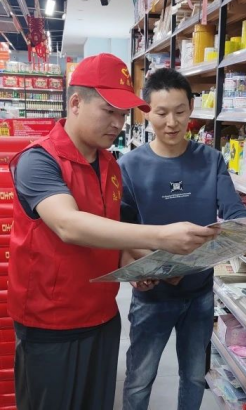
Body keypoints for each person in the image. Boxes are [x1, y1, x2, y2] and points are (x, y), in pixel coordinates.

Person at [8, 54, 219, 410]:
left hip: (103, 316)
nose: (118, 123)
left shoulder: (109, 164)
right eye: (109, 111)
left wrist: (138, 263)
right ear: (76, 103)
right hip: (51, 324)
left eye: (123, 114)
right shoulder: (38, 161)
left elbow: (108, 230)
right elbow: (69, 225)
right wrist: (159, 236)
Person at [120, 68, 246, 410]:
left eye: (180, 112)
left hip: (199, 294)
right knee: (139, 380)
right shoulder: (129, 166)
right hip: (151, 295)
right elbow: (122, 229)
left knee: (194, 376)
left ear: (192, 108)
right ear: (146, 112)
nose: (171, 123)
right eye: (161, 113)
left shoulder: (211, 160)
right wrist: (145, 265)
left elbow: (234, 209)